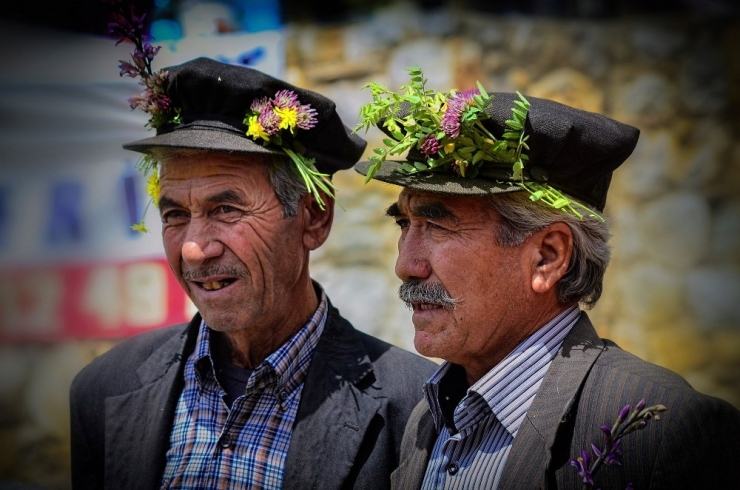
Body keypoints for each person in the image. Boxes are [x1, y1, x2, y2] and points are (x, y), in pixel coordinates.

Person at [354, 75, 740, 489]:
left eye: (436, 226)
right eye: (404, 223)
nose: (405, 265)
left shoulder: (666, 431)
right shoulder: (427, 416)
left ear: (548, 257)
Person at [69, 57, 436, 490]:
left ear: (314, 220)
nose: (194, 248)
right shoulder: (104, 389)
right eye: (174, 214)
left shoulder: (415, 409)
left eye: (226, 209)